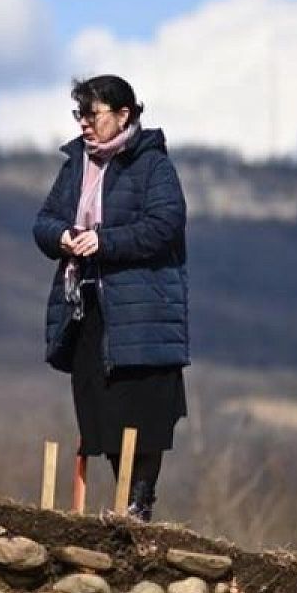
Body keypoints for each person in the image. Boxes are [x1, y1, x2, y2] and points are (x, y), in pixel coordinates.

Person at [33, 74, 188, 522]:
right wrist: (63, 236)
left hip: (144, 311)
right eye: (78, 113)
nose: (83, 123)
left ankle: (140, 501)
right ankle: (124, 500)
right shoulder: (76, 164)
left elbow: (164, 225)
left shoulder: (153, 165)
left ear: (123, 115)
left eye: (92, 113)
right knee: (102, 410)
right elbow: (44, 221)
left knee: (143, 410)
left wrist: (104, 242)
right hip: (89, 307)